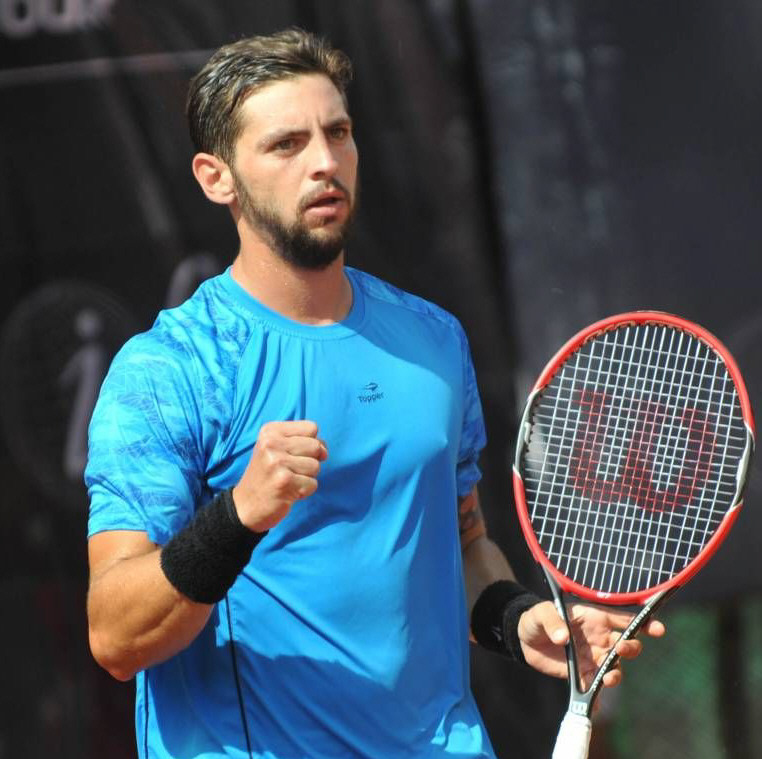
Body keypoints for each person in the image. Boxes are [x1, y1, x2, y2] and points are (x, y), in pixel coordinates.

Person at [85, 28, 664, 759]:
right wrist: (238, 515)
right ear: (216, 178)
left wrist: (519, 619)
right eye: (286, 144)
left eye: (338, 133)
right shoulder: (170, 369)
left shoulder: (433, 340)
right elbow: (116, 635)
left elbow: (462, 542)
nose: (325, 162)